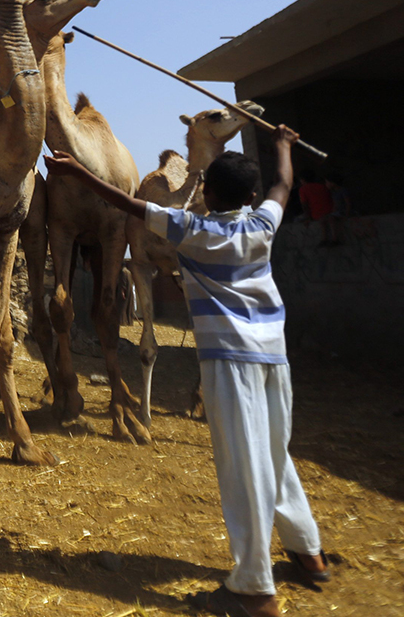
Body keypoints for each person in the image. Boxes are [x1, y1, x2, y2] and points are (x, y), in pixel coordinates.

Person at [45, 126, 328, 617]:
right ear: (252, 196)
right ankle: (309, 551)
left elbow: (133, 207)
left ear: (208, 195)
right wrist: (283, 145)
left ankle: (254, 588)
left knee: (243, 468)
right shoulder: (264, 223)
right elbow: (283, 186)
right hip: (274, 361)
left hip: (230, 364)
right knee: (274, 454)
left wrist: (76, 174)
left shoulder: (197, 232)